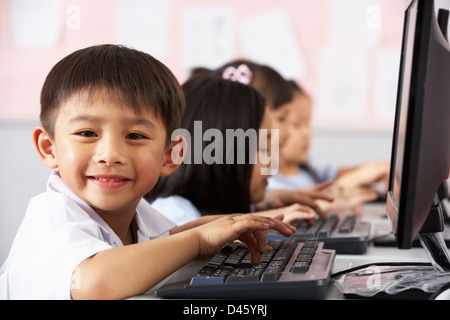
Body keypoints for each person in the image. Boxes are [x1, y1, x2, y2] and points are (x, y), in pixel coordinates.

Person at [0, 45, 296, 300]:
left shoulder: (135, 211)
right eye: (87, 132)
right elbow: (93, 281)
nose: (110, 155)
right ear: (49, 147)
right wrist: (199, 239)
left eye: (135, 136)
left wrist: (217, 225)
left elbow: (158, 243)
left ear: (171, 155)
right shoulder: (51, 219)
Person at [148, 72, 319, 226]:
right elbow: (201, 239)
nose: (272, 163)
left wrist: (269, 201)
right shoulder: (173, 212)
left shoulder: (214, 207)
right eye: (262, 148)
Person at [268, 80, 390, 214]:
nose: (307, 133)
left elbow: (336, 173)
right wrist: (356, 178)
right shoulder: (269, 182)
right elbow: (297, 207)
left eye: (307, 124)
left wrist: (373, 169)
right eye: (297, 124)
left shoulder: (305, 170)